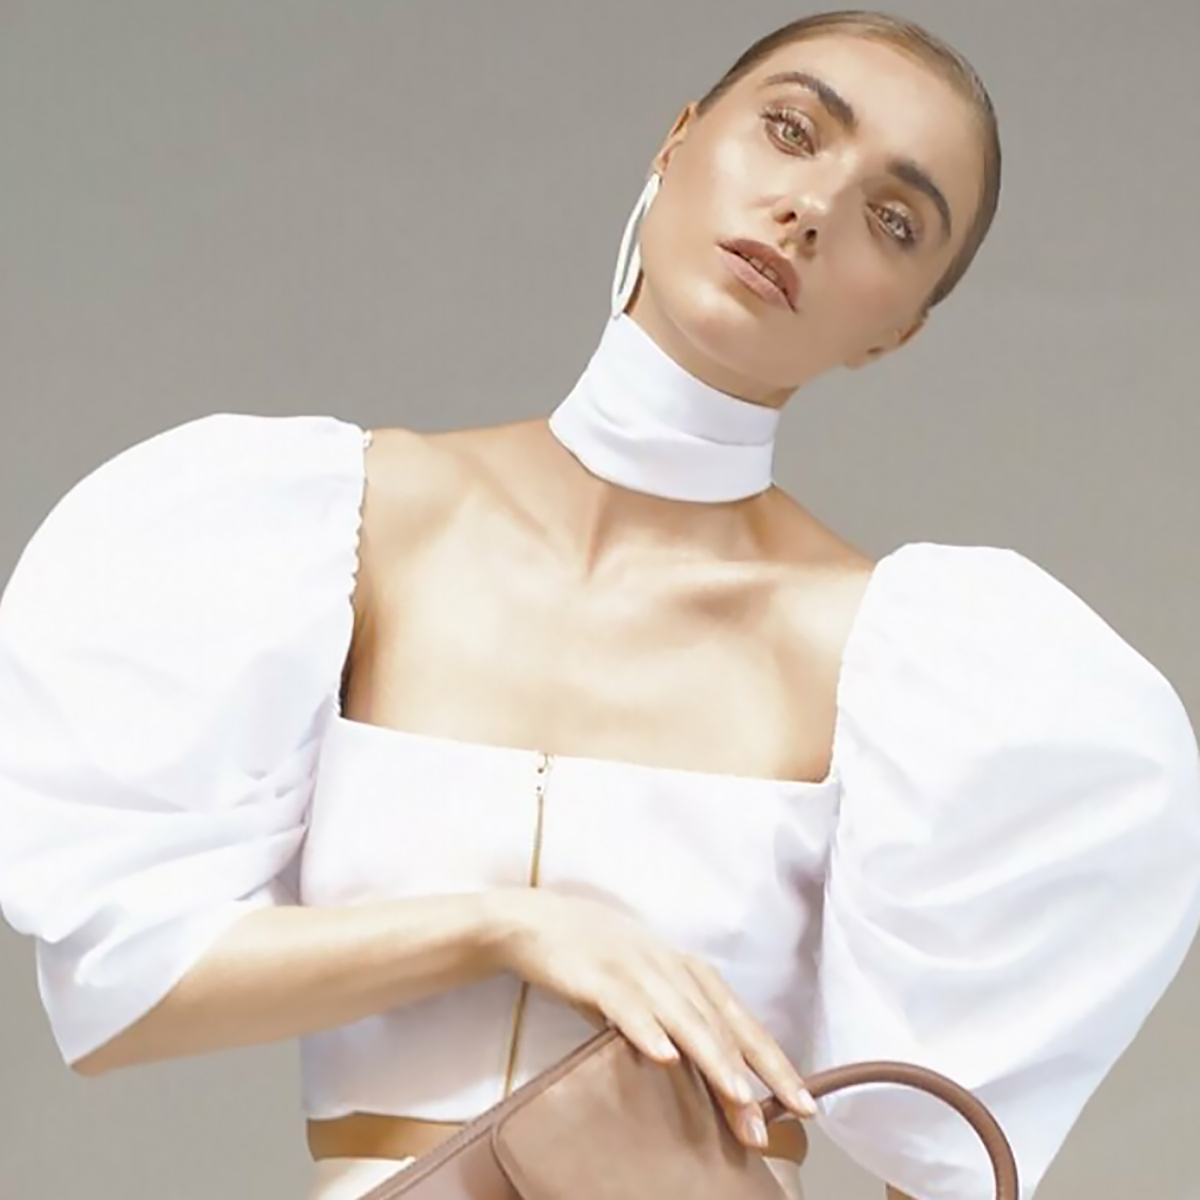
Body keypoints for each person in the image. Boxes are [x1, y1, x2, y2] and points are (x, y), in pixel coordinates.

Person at [1, 10, 1198, 1200]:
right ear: (676, 142)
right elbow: (124, 991)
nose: (812, 208)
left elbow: (935, 1162)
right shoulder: (348, 529)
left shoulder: (898, 664)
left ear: (897, 330)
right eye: (791, 130)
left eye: (894, 220)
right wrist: (510, 927)